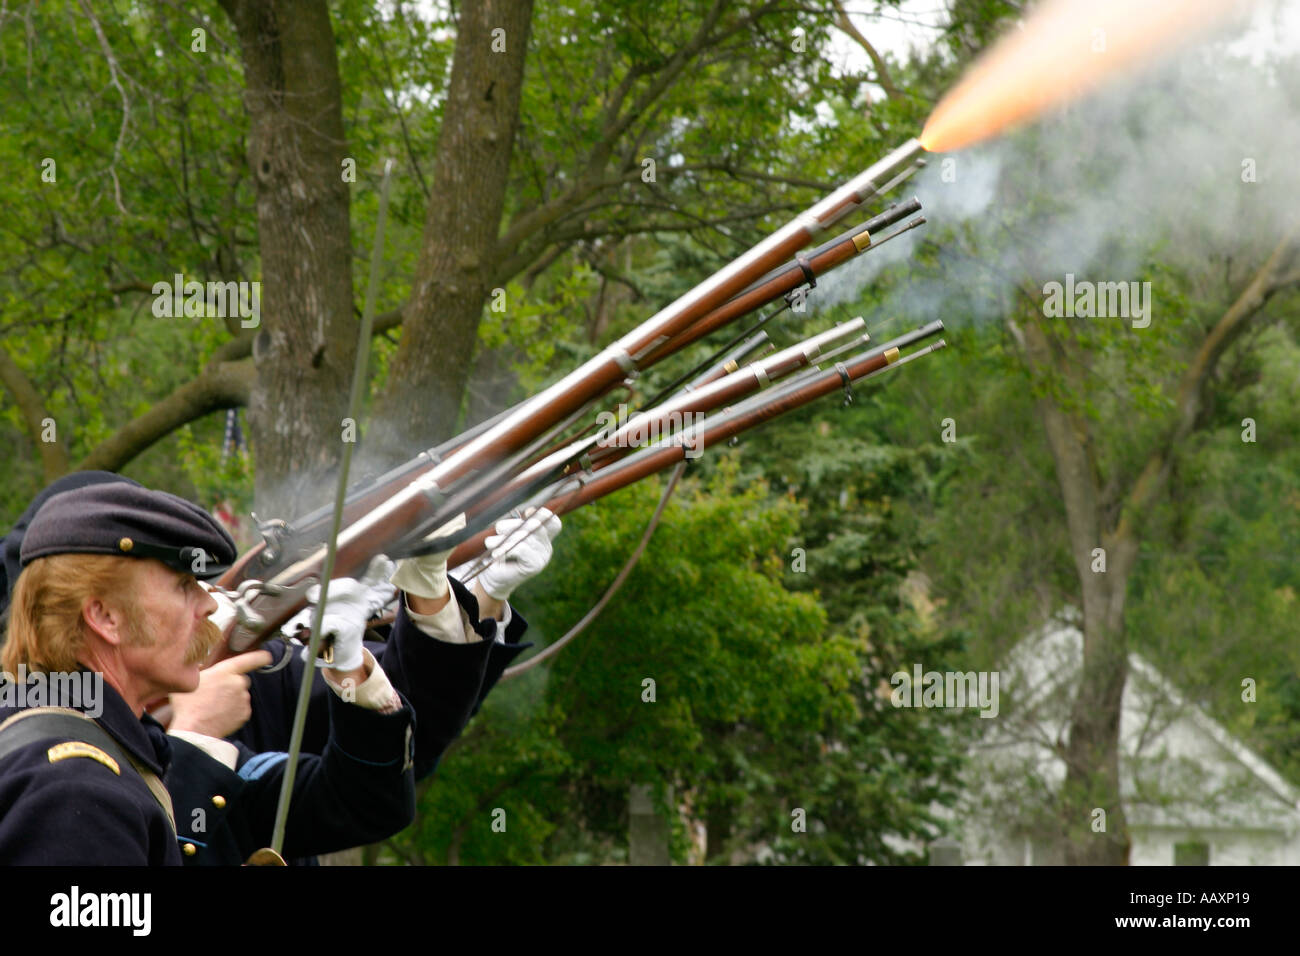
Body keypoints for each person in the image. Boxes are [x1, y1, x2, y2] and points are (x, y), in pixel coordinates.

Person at [0, 482, 417, 865]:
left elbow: (364, 805)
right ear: (105, 616)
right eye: (184, 585)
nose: (211, 604)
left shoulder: (133, 749)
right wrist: (195, 736)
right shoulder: (73, 787)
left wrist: (346, 667)